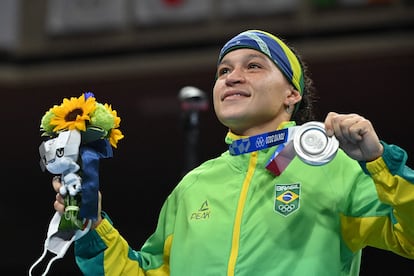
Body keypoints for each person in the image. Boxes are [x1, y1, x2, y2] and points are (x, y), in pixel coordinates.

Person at [52, 29, 414, 275]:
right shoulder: (193, 187)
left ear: (292, 93)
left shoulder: (335, 165)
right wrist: (90, 225)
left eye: (253, 66)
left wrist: (377, 160)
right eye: (223, 70)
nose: (231, 77)